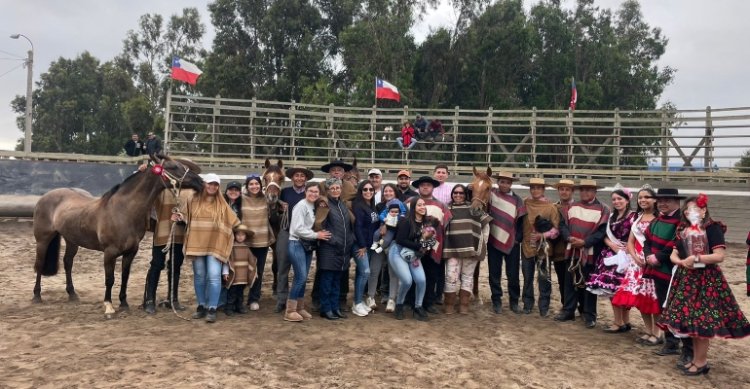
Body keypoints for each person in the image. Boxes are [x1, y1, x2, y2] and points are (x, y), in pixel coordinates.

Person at [658, 194, 750, 375]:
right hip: (686, 278)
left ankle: (701, 362)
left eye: (694, 208)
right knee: (690, 321)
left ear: (703, 210)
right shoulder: (683, 229)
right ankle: (696, 360)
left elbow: (719, 256)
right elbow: (673, 253)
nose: (689, 212)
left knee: (702, 322)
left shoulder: (712, 228)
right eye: (687, 209)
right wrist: (680, 262)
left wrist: (696, 258)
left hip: (706, 279)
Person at [175, 173, 240, 323]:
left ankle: (212, 307)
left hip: (215, 245)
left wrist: (245, 231)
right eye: (210, 183)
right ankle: (201, 305)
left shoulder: (222, 203)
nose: (212, 187)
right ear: (204, 184)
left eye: (215, 184)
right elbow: (185, 215)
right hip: (197, 243)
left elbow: (233, 221)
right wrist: (178, 217)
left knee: (214, 276)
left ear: (218, 187)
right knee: (199, 276)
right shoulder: (193, 199)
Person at [643, 188, 692, 365]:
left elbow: (675, 243)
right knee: (664, 306)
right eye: (661, 200)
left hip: (673, 270)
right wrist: (648, 255)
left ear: (676, 201)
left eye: (667, 200)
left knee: (677, 308)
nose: (663, 203)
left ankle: (683, 347)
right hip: (657, 269)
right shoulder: (657, 219)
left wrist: (658, 257)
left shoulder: (681, 221)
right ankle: (671, 342)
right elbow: (646, 240)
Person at [555, 179, 609, 329]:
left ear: (595, 192)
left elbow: (602, 232)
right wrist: (569, 238)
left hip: (590, 252)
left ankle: (589, 314)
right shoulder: (572, 207)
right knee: (569, 281)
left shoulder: (603, 209)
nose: (585, 192)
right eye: (583, 190)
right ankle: (568, 310)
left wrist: (585, 242)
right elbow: (563, 226)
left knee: (588, 285)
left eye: (589, 190)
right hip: (572, 250)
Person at [586, 185, 637, 332]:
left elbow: (639, 236)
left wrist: (628, 248)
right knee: (611, 290)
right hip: (611, 256)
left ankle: (625, 321)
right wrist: (612, 245)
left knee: (624, 290)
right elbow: (605, 235)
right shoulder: (611, 217)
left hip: (628, 256)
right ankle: (618, 321)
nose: (616, 201)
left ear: (627, 200)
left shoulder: (634, 216)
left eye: (619, 198)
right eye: (614, 199)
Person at [617, 185, 662, 345]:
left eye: (647, 197)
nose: (643, 200)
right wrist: (635, 258)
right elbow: (630, 241)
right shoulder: (637, 217)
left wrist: (650, 257)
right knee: (641, 299)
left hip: (653, 263)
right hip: (637, 264)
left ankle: (657, 333)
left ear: (655, 200)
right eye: (640, 197)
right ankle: (648, 330)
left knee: (653, 299)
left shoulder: (660, 218)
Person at [141, 183, 195, 314]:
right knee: (157, 264)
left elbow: (195, 210)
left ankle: (173, 298)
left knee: (176, 265)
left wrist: (184, 217)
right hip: (162, 231)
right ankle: (149, 300)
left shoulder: (191, 190)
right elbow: (146, 192)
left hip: (181, 233)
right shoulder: (162, 187)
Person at [442, 184, 492, 314]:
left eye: (461, 193)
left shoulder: (474, 208)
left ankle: (464, 304)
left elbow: (485, 227)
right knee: (450, 276)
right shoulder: (447, 209)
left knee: (467, 277)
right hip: (452, 248)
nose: (458, 195)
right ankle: (449, 304)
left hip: (471, 249)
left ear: (465, 195)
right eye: (455, 193)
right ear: (452, 194)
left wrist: (482, 245)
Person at [286, 182, 331, 322]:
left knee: (303, 277)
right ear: (305, 191)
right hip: (296, 243)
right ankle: (290, 310)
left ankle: (299, 307)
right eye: (310, 191)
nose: (313, 194)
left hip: (306, 245)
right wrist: (316, 235)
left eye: (316, 192)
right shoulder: (301, 206)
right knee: (300, 277)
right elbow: (297, 228)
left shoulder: (313, 206)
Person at [409, 176, 452, 314]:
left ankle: (428, 302)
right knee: (413, 275)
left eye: (428, 185)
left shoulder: (441, 206)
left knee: (431, 275)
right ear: (418, 187)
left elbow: (445, 226)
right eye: (422, 185)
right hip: (414, 246)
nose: (425, 187)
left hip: (434, 246)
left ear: (433, 187)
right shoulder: (410, 202)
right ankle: (411, 302)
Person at [518, 178, 560, 317]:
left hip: (544, 248)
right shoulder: (524, 203)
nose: (535, 190)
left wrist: (543, 235)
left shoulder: (550, 207)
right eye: (533, 188)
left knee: (544, 277)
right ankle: (527, 303)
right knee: (527, 276)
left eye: (538, 188)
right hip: (526, 245)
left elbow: (556, 229)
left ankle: (544, 306)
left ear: (543, 190)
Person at [274, 166, 314, 313]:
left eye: (302, 176)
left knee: (301, 271)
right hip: (286, 231)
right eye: (296, 176)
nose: (299, 178)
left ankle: (297, 300)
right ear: (292, 178)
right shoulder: (285, 192)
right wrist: (280, 209)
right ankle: (281, 299)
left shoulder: (310, 194)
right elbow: (277, 211)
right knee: (283, 267)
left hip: (304, 234)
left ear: (306, 179)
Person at [487, 171, 526, 314]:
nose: (505, 184)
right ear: (498, 182)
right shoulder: (491, 195)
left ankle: (514, 301)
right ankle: (496, 300)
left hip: (512, 241)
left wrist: (517, 238)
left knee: (513, 274)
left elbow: (521, 222)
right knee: (494, 272)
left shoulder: (517, 200)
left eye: (508, 182)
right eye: (502, 181)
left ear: (511, 184)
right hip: (493, 238)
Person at [316, 178, 355, 320]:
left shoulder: (342, 205)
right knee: (327, 280)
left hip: (343, 249)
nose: (335, 190)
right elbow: (320, 225)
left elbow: (348, 225)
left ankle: (335, 307)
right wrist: (332, 240)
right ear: (327, 190)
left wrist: (350, 240)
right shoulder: (324, 205)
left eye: (337, 188)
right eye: (332, 188)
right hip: (330, 249)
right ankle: (325, 308)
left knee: (337, 281)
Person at [389, 197, 431, 321]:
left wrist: (426, 246)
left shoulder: (426, 223)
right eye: (419, 205)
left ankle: (418, 307)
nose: (422, 207)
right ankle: (399, 305)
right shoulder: (405, 221)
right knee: (407, 280)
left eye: (424, 204)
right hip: (398, 251)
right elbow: (400, 240)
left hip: (413, 255)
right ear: (413, 208)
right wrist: (420, 246)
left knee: (421, 280)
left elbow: (426, 240)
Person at [240, 174, 276, 311]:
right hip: (245, 241)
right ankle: (238, 297)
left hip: (262, 240)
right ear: (247, 186)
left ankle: (254, 298)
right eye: (251, 184)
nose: (254, 186)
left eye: (257, 184)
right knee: (243, 270)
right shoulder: (241, 199)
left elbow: (275, 202)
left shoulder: (266, 199)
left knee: (258, 271)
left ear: (261, 186)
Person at [371, 183, 402, 312]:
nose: (388, 193)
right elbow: (376, 222)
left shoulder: (401, 205)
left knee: (392, 272)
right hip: (381, 239)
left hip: (394, 242)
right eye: (386, 191)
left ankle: (391, 299)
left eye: (391, 191)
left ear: (395, 192)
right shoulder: (379, 206)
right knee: (375, 270)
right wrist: (383, 224)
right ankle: (371, 296)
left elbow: (403, 221)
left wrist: (388, 224)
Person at [351, 181, 378, 317]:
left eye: (371, 189)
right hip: (360, 245)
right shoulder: (358, 206)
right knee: (365, 272)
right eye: (365, 189)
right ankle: (357, 303)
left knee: (362, 273)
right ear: (361, 191)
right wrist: (362, 246)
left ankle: (359, 301)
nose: (368, 192)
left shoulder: (371, 206)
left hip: (369, 245)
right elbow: (358, 227)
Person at [550, 179, 576, 305]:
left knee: (577, 280)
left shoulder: (578, 207)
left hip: (576, 250)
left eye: (567, 189)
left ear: (572, 191)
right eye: (562, 189)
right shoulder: (553, 207)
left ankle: (581, 308)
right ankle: (565, 305)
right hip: (559, 250)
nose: (564, 192)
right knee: (561, 279)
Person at [222, 224, 257, 316]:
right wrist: (225, 272)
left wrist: (253, 272)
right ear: (234, 235)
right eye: (238, 234)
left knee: (240, 292)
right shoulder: (231, 247)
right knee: (232, 292)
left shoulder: (246, 248)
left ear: (245, 236)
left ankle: (239, 306)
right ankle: (229, 307)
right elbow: (227, 260)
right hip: (234, 276)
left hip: (243, 276)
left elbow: (252, 261)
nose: (240, 237)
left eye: (243, 235)